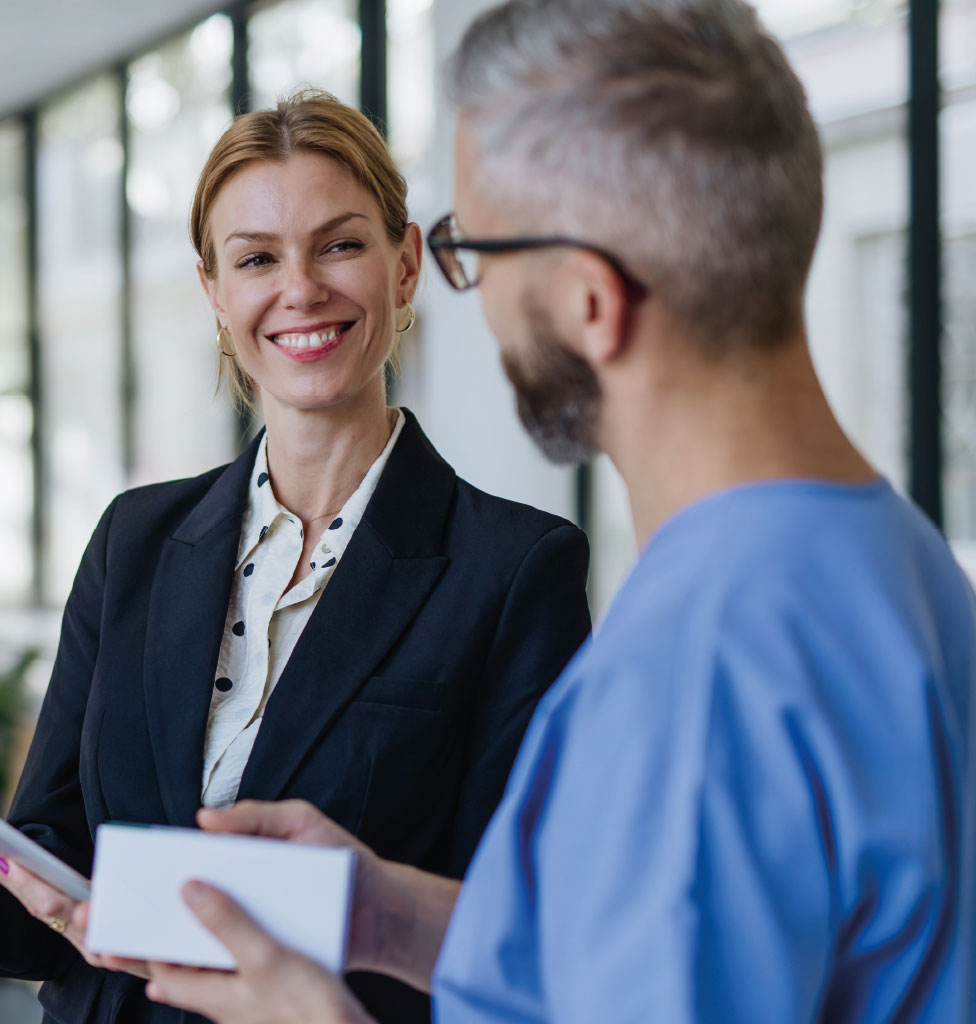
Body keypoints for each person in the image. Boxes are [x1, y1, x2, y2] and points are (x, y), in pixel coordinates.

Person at [131, 0, 976, 1021]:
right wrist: (391, 916)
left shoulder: (693, 672)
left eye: (474, 250)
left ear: (588, 299)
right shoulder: (891, 556)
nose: (474, 295)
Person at [0, 92, 592, 1023]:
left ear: (404, 267)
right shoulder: (136, 541)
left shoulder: (515, 568)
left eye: (341, 245)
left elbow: (514, 935)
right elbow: (57, 875)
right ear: (215, 292)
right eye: (257, 259)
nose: (301, 288)